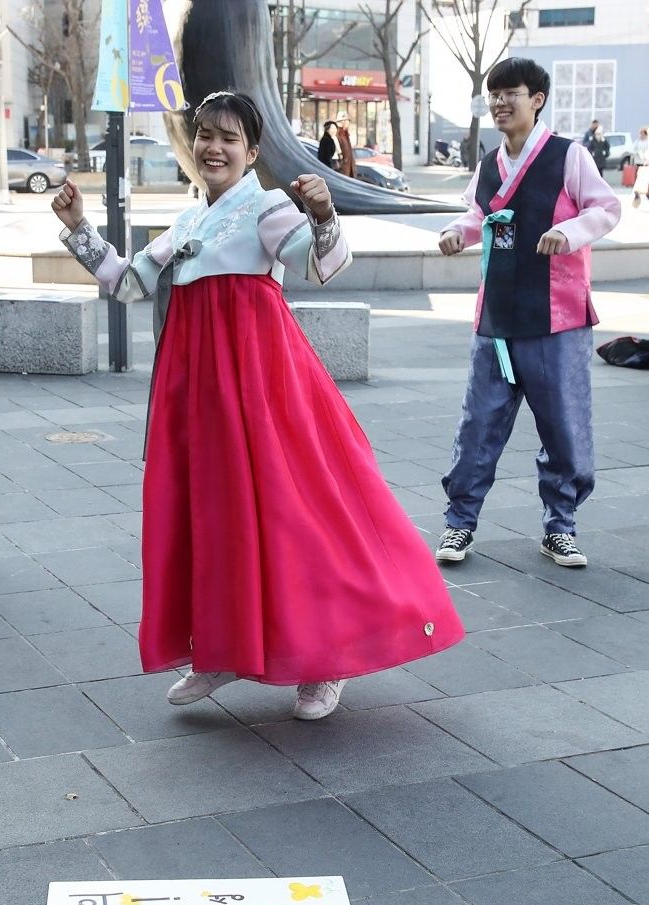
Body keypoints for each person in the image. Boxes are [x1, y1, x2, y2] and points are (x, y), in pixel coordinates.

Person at [52, 90, 464, 721]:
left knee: (294, 513)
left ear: (251, 150)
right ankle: (221, 649)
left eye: (229, 138)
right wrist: (80, 227)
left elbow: (322, 265)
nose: (213, 148)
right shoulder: (187, 222)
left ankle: (326, 660)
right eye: (205, 136)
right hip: (200, 394)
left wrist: (323, 212)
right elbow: (129, 282)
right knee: (214, 516)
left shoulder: (267, 207)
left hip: (263, 388)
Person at [435, 58, 620, 568]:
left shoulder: (569, 155)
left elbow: (605, 208)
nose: (500, 103)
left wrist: (569, 232)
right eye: (494, 95)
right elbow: (479, 213)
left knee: (564, 426)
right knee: (478, 424)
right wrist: (457, 232)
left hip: (556, 317)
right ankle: (459, 522)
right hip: (497, 316)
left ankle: (560, 527)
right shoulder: (488, 163)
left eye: (510, 93)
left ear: (536, 100)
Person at [335, 111, 357, 177]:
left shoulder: (346, 134)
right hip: (342, 171)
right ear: (342, 122)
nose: (348, 123)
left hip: (349, 170)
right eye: (346, 121)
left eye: (348, 121)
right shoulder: (337, 135)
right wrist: (341, 164)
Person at [632, 126, 649, 208]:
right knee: (637, 177)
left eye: (642, 134)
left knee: (646, 178)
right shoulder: (637, 141)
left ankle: (646, 192)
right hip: (638, 162)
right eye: (640, 134)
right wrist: (637, 153)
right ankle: (637, 193)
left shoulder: (647, 142)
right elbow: (633, 149)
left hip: (646, 163)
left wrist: (645, 157)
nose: (641, 135)